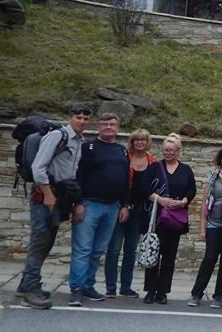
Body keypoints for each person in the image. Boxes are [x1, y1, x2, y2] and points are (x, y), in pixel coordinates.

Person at [17, 105, 91, 310]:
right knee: (40, 240)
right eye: (78, 117)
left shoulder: (79, 141)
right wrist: (48, 194)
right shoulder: (58, 136)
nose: (82, 121)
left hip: (60, 196)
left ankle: (26, 284)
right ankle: (30, 292)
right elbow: (38, 167)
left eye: (85, 118)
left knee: (47, 241)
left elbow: (71, 173)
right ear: (70, 118)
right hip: (45, 196)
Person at [68, 113, 131, 306]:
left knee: (97, 251)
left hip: (113, 207)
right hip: (89, 205)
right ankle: (77, 288)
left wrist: (125, 205)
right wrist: (78, 202)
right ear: (98, 127)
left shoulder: (122, 151)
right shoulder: (88, 148)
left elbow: (125, 181)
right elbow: (77, 176)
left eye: (112, 124)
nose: (109, 127)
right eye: (105, 124)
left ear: (118, 127)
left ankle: (88, 286)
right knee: (83, 249)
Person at [142, 133, 196, 304]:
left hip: (174, 219)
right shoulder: (154, 167)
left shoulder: (186, 169)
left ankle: (162, 292)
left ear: (178, 151)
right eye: (166, 150)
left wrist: (183, 202)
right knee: (153, 254)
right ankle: (150, 291)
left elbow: (191, 190)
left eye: (172, 150)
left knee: (169, 257)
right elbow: (144, 188)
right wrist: (160, 200)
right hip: (157, 218)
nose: (168, 153)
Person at [105, 128, 156, 298]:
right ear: (132, 142)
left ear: (147, 142)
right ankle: (110, 287)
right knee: (114, 249)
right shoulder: (124, 158)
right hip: (121, 208)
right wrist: (123, 205)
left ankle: (126, 287)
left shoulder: (153, 162)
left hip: (140, 212)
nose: (139, 142)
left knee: (130, 250)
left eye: (143, 139)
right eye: (136, 139)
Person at [188, 146, 222, 308]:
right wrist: (202, 229)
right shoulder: (213, 177)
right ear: (221, 159)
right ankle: (196, 294)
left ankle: (219, 296)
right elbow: (205, 205)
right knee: (210, 258)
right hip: (214, 224)